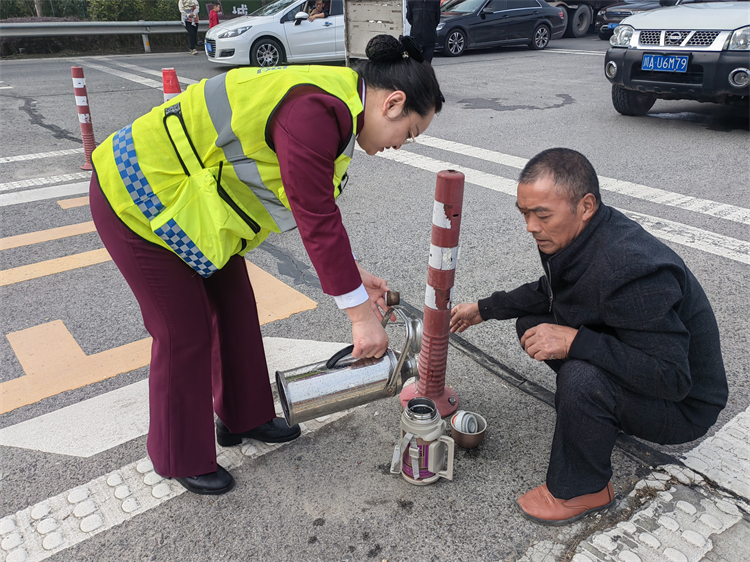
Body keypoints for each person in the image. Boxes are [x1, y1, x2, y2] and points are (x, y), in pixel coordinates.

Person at [89, 35, 442, 496]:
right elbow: (316, 216)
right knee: (183, 333)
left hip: (190, 214)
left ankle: (244, 417)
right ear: (393, 103)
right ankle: (178, 456)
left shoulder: (335, 106)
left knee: (235, 310)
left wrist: (353, 276)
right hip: (137, 198)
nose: (402, 145)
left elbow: (306, 203)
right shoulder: (316, 112)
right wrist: (361, 318)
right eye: (410, 133)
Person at [450, 148, 727, 525]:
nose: (530, 226)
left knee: (581, 378)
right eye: (524, 213)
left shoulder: (631, 270)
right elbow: (552, 290)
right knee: (533, 325)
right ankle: (594, 417)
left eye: (542, 214)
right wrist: (484, 308)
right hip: (639, 352)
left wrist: (575, 343)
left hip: (683, 406)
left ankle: (584, 489)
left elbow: (673, 379)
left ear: (586, 205)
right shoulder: (585, 236)